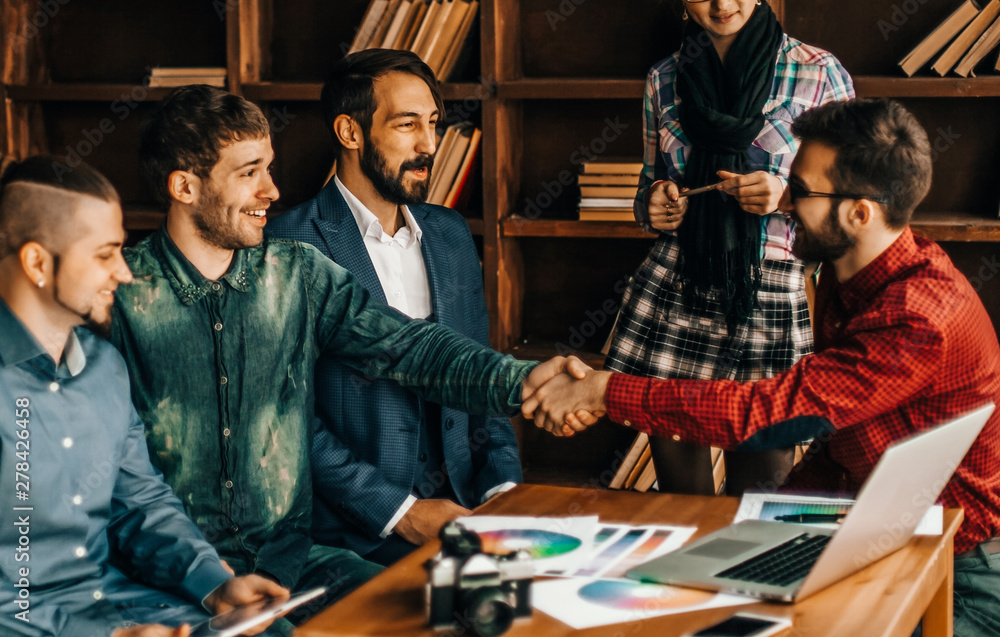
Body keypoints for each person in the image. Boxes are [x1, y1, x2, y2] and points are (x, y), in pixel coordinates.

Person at [108, 85, 584, 630]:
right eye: (249, 173)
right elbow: (115, 481)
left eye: (269, 167)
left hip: (300, 563)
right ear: (185, 186)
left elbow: (410, 348)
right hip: (177, 580)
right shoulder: (114, 295)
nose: (272, 190)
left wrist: (524, 382)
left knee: (466, 619)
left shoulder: (299, 272)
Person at [524, 98, 1000, 637]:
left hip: (959, 571)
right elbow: (841, 441)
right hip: (888, 532)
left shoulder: (915, 316)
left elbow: (772, 414)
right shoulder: (858, 275)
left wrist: (605, 392)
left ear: (859, 213)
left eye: (800, 190)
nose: (785, 204)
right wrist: (760, 530)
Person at [0, 157, 287, 637]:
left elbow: (139, 502)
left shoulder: (104, 368)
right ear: (36, 263)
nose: (124, 273)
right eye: (104, 253)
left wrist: (214, 586)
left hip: (125, 602)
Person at [265, 50, 521, 566]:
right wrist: (401, 512)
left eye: (433, 124)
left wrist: (503, 493)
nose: (429, 145)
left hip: (474, 520)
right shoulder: (283, 243)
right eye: (407, 125)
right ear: (350, 132)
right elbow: (285, 421)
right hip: (351, 538)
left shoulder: (450, 234)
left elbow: (481, 385)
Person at [604, 0, 854, 495]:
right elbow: (650, 182)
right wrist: (653, 205)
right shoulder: (663, 78)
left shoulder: (819, 72)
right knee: (680, 492)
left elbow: (855, 201)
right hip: (680, 285)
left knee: (761, 486)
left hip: (771, 291)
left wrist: (788, 197)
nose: (722, 4)